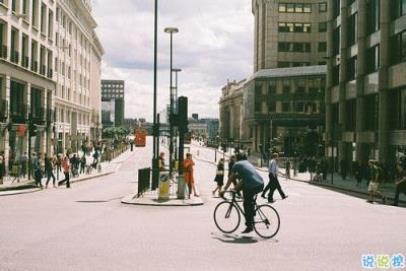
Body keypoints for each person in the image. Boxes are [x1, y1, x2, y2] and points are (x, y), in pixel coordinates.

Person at [220, 152, 264, 234]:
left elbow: (230, 178)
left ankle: (249, 225)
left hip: (252, 185)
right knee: (249, 201)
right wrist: (235, 189)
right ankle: (251, 214)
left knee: (246, 203)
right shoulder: (247, 163)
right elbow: (243, 180)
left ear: (237, 158)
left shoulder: (237, 164)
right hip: (260, 184)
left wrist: (224, 189)